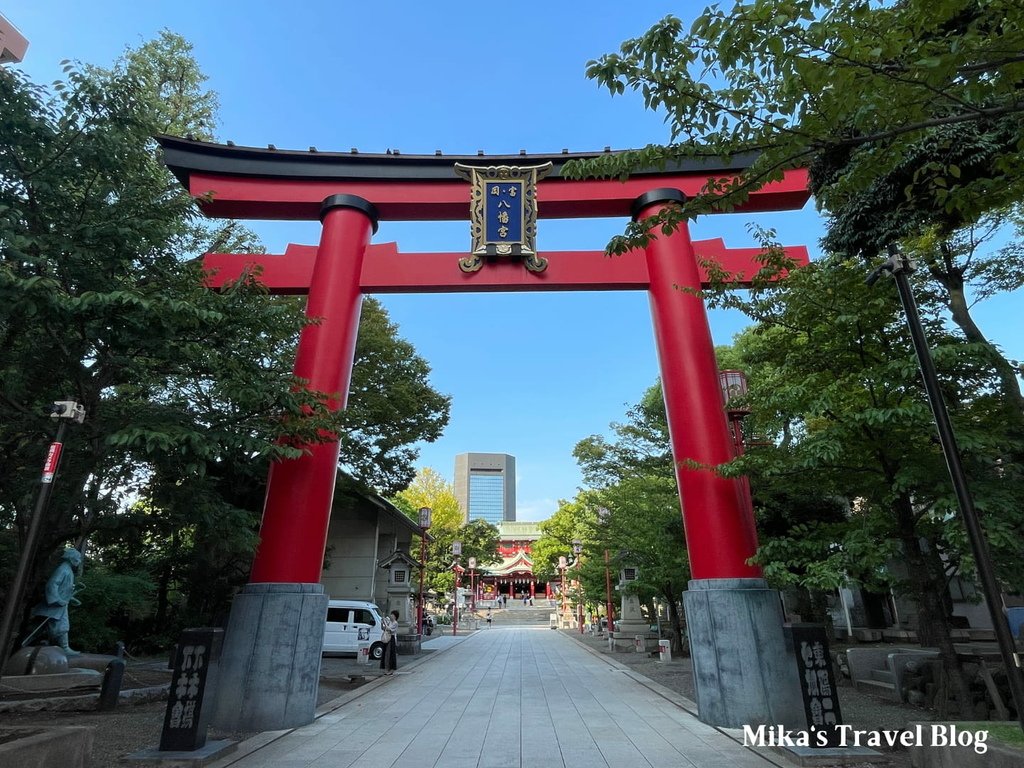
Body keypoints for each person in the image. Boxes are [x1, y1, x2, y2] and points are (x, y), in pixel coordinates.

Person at [31, 548, 83, 655]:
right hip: (54, 605)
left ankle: (61, 646)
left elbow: (64, 590)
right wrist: (57, 600)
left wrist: (71, 599)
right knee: (61, 625)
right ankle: (64, 647)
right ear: (71, 558)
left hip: (59, 605)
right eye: (77, 558)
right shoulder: (63, 569)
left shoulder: (67, 570)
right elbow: (52, 585)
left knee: (42, 627)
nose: (79, 561)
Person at [380, 610, 399, 676]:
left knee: (389, 654)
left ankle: (390, 669)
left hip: (391, 639)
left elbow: (389, 629)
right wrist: (382, 621)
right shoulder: (389, 622)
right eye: (391, 614)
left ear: (395, 616)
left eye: (392, 615)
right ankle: (386, 669)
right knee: (386, 654)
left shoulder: (395, 623)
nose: (391, 616)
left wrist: (384, 621)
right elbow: (383, 628)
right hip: (387, 638)